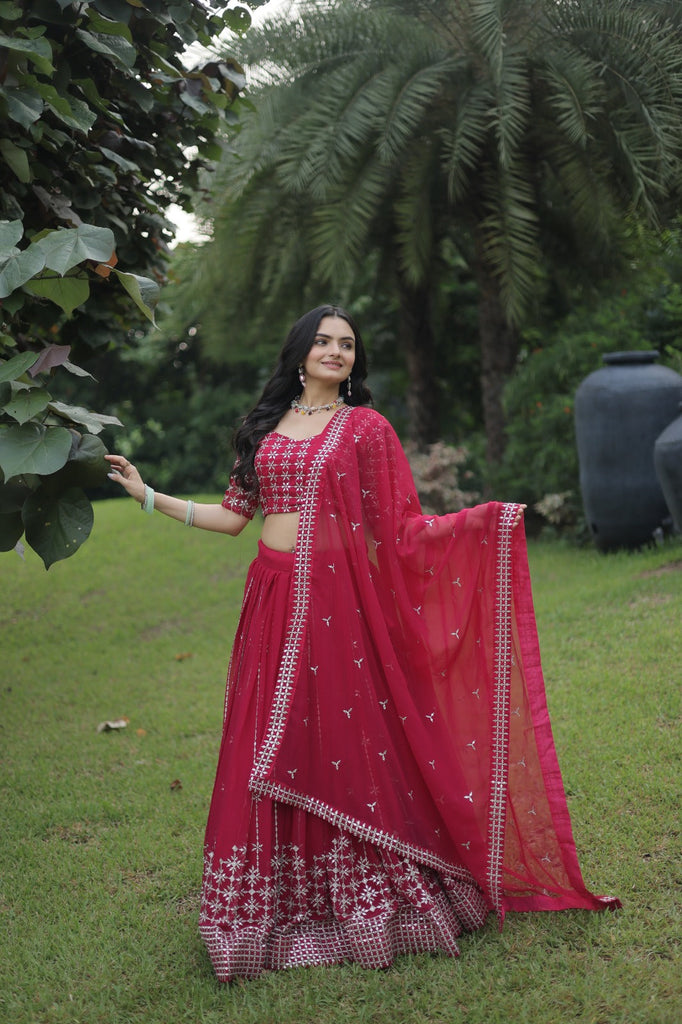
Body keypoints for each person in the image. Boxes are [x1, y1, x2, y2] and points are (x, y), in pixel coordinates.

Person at [106, 304, 619, 982]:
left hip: (336, 610)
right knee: (264, 740)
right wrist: (149, 496)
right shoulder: (262, 430)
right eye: (323, 341)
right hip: (270, 601)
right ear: (299, 353)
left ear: (355, 363)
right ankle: (273, 911)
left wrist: (485, 523)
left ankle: (372, 905)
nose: (336, 351)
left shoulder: (367, 430)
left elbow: (401, 529)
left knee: (341, 743)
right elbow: (233, 517)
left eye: (347, 344)